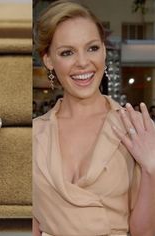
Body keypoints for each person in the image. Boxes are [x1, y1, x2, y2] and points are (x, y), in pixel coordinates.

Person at [33, 1, 155, 235]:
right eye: (67, 52)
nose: (82, 62)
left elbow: (144, 232)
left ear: (104, 50)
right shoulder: (34, 134)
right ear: (48, 60)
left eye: (92, 48)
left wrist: (151, 168)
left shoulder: (134, 127)